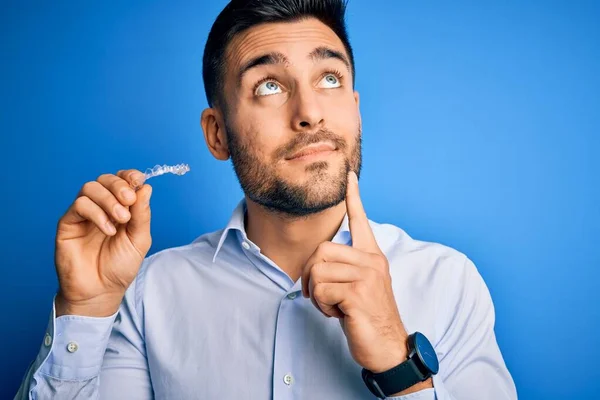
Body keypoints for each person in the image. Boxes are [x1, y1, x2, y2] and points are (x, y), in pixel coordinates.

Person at [15, 0, 517, 398]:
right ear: (218, 135)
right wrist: (86, 307)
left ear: (356, 111)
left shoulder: (449, 282)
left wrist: (396, 359)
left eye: (330, 78)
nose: (310, 112)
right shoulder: (149, 295)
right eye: (270, 85)